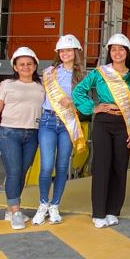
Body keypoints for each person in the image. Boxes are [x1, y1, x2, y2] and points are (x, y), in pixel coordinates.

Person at [73, 33, 130, 228]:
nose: (117, 52)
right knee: (101, 167)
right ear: (109, 52)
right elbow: (78, 91)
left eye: (121, 49)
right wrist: (93, 107)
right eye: (114, 49)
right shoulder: (99, 73)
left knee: (119, 167)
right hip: (103, 123)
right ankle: (98, 213)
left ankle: (113, 210)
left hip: (124, 124)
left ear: (127, 52)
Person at [0, 46, 45, 230]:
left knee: (22, 172)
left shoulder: (42, 86)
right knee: (14, 171)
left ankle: (11, 210)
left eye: (29, 64)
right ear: (15, 67)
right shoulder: (6, 84)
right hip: (9, 133)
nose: (25, 67)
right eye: (21, 64)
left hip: (33, 134)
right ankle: (16, 211)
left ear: (35, 66)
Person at [32, 34, 87, 226]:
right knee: (46, 166)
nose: (65, 53)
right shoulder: (49, 72)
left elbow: (86, 104)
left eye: (68, 50)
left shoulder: (82, 76)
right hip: (48, 120)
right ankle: (43, 204)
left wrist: (73, 102)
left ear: (76, 52)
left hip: (67, 123)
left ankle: (55, 205)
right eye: (62, 51)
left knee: (62, 166)